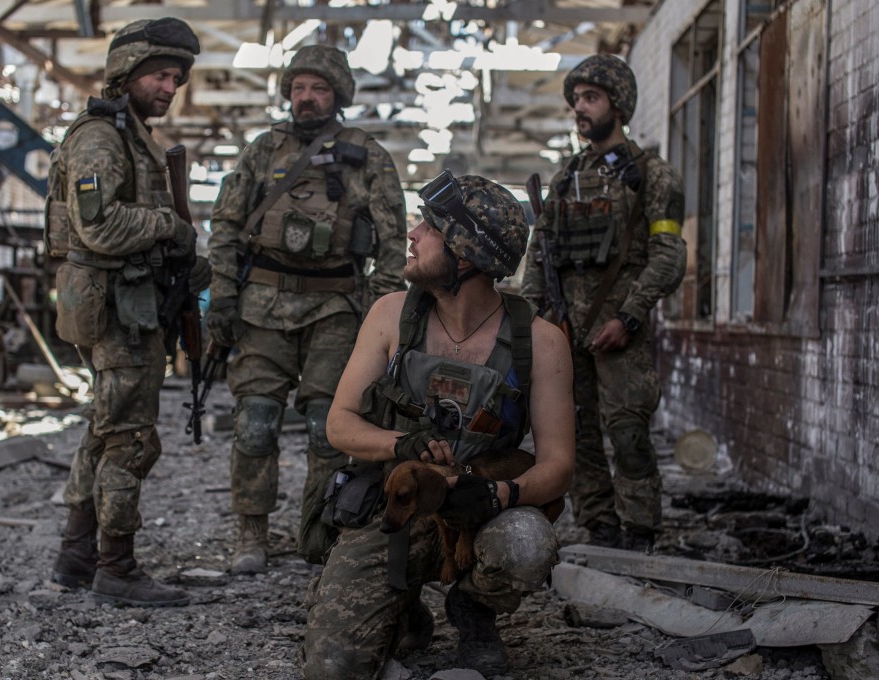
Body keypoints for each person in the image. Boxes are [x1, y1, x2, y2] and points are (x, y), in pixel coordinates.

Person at [300, 171, 575, 678]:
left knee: (526, 545)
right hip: (397, 506)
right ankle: (404, 606)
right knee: (334, 668)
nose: (412, 233)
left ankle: (473, 607)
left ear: (465, 255)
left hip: (479, 511)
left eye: (429, 226)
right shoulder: (390, 315)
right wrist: (403, 442)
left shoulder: (540, 340)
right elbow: (339, 425)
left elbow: (559, 467)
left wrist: (499, 496)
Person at [207, 44, 408, 574]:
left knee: (329, 426)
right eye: (298, 88)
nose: (306, 98)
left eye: (318, 88)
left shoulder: (368, 156)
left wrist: (378, 314)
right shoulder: (261, 151)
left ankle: (317, 531)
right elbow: (226, 225)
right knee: (255, 420)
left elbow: (394, 242)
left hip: (336, 309)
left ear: (337, 94)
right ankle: (251, 533)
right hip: (261, 309)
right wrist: (222, 297)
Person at [48, 18, 211, 606]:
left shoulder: (132, 132)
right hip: (117, 309)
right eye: (161, 74)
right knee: (130, 441)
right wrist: (170, 225)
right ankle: (116, 567)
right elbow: (97, 225)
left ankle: (75, 553)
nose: (170, 87)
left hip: (130, 304)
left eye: (177, 78)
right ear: (128, 71)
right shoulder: (100, 135)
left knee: (105, 430)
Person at [521, 54, 687, 553]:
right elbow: (538, 255)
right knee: (578, 435)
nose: (579, 109)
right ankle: (600, 528)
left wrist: (629, 316)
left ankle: (639, 533)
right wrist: (531, 322)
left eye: (590, 98)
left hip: (622, 334)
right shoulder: (565, 178)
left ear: (619, 104)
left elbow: (669, 255)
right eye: (575, 100)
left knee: (629, 434)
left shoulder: (652, 176)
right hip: (566, 332)